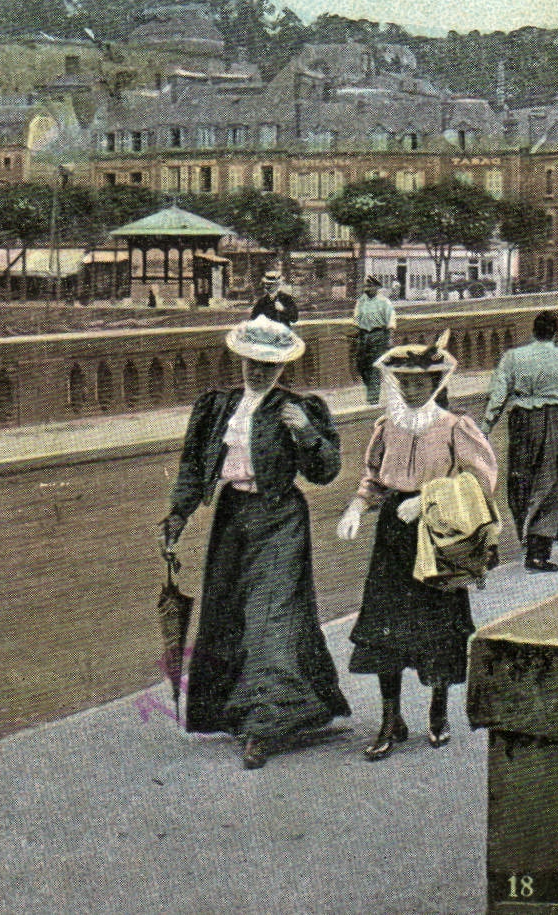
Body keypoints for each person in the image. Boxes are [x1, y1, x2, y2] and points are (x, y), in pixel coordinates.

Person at [159, 316, 350, 770]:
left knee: (271, 616)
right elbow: (191, 467)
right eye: (252, 363)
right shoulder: (218, 407)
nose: (258, 372)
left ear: (283, 367)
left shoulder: (299, 408)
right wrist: (177, 517)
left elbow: (326, 471)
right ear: (241, 361)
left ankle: (263, 727)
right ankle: (241, 711)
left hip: (281, 516)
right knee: (227, 615)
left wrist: (304, 431)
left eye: (269, 365)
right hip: (232, 518)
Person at [336, 334, 498, 761]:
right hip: (393, 534)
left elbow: (481, 481)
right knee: (385, 626)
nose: (410, 391)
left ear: (435, 384)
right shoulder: (387, 426)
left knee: (437, 625)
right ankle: (391, 720)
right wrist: (357, 505)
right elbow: (373, 476)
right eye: (403, 383)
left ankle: (438, 710)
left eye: (419, 383)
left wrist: (426, 500)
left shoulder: (453, 426)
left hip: (437, 534)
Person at [481, 311, 558, 573]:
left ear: (533, 331)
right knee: (554, 481)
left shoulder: (513, 356)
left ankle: (525, 536)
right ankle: (538, 551)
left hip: (522, 420)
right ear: (556, 332)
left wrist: (486, 428)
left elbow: (498, 395)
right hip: (556, 418)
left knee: (521, 478)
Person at [353, 276, 397, 405]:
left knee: (375, 367)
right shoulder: (361, 301)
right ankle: (371, 387)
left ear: (377, 288)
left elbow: (391, 321)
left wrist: (389, 339)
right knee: (361, 365)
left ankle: (373, 398)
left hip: (378, 335)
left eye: (370, 286)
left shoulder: (384, 302)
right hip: (364, 335)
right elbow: (356, 319)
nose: (367, 289)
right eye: (366, 286)